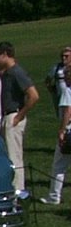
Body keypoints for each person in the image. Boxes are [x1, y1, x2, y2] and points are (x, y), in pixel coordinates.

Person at [0, 41, 39, 194]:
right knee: (9, 155)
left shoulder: (16, 72)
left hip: (13, 115)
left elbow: (33, 95)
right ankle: (13, 186)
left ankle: (18, 189)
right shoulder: (6, 73)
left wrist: (19, 116)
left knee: (14, 156)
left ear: (5, 54)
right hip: (7, 115)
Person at [41, 49, 71, 205]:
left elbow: (67, 111)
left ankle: (54, 196)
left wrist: (62, 130)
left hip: (69, 131)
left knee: (59, 165)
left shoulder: (67, 91)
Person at [44, 47, 71, 116]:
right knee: (62, 117)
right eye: (62, 56)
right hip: (60, 96)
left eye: (66, 56)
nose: (64, 58)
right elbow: (47, 80)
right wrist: (52, 90)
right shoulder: (57, 67)